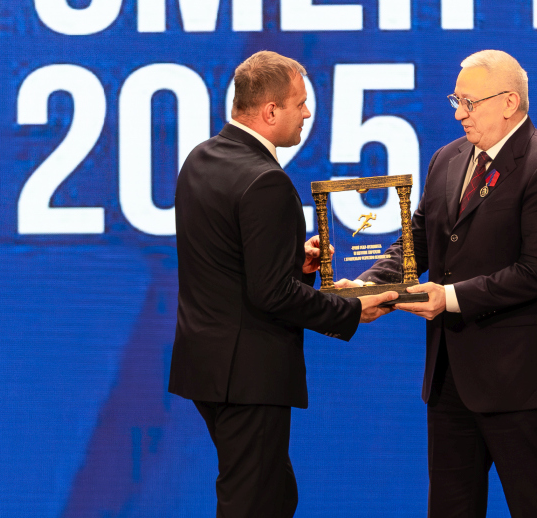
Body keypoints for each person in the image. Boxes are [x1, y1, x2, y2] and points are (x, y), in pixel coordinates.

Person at [338, 50, 537, 517]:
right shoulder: (447, 159)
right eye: (456, 100)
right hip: (450, 378)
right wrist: (367, 287)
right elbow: (416, 244)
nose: (458, 113)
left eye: (470, 102)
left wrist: (449, 298)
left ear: (509, 102)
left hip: (520, 381)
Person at [168, 50, 397, 518]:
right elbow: (270, 293)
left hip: (207, 368)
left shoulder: (201, 158)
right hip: (249, 377)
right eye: (301, 103)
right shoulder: (266, 181)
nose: (307, 113)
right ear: (271, 111)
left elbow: (228, 260)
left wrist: (296, 263)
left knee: (271, 496)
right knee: (255, 504)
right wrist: (352, 310)